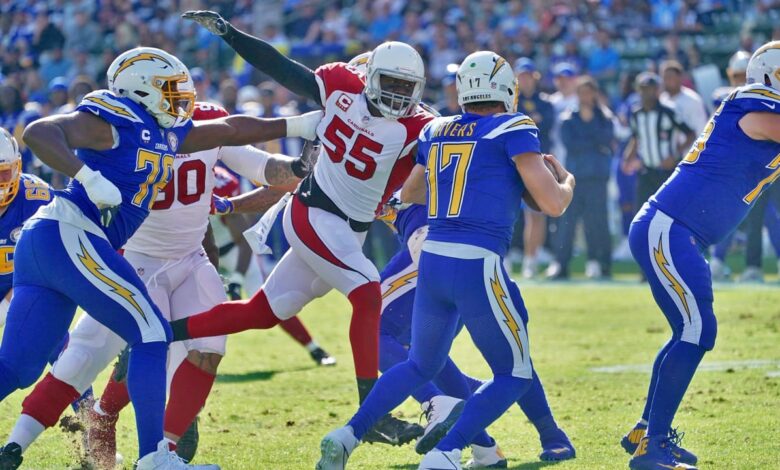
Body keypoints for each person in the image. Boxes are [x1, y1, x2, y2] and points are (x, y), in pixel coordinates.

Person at [0, 46, 321, 470]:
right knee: (151, 332)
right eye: (170, 90)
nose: (182, 97)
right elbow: (40, 131)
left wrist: (298, 123)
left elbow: (229, 129)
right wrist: (89, 178)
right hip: (71, 233)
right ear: (140, 90)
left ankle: (18, 451)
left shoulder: (165, 131)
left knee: (18, 367)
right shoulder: (114, 118)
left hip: (52, 245)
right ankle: (155, 457)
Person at [174, 10, 434, 445]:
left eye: (405, 89)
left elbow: (448, 148)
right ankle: (372, 415)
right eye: (389, 83)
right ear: (369, 76)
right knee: (368, 291)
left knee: (258, 314)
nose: (396, 95)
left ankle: (157, 331)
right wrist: (230, 33)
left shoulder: (419, 125)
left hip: (346, 231)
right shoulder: (340, 86)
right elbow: (279, 66)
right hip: (312, 213)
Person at [316, 50, 575, 470]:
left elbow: (413, 192)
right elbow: (552, 203)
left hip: (433, 258)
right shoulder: (515, 125)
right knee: (514, 373)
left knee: (421, 362)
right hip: (477, 261)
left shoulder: (436, 129)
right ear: (506, 90)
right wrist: (567, 182)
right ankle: (448, 451)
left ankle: (348, 434)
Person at [621, 41, 780, 470]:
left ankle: (646, 431)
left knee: (688, 330)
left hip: (678, 231)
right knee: (696, 330)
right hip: (670, 227)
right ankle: (652, 447)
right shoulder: (754, 104)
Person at [375, 199, 575, 466]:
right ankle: (497, 442)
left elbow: (413, 184)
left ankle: (445, 409)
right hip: (462, 249)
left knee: (375, 335)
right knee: (436, 353)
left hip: (438, 247)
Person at [552, 77, 615, 279]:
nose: (586, 96)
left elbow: (606, 140)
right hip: (574, 178)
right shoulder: (568, 118)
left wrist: (590, 137)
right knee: (567, 224)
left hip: (597, 177)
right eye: (582, 92)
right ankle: (561, 265)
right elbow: (571, 145)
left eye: (589, 92)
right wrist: (594, 142)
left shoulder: (605, 117)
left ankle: (601, 264)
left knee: (598, 223)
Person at [622, 72, 695, 213]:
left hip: (667, 171)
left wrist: (675, 155)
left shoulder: (669, 112)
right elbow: (636, 138)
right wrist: (628, 157)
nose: (646, 93)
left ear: (657, 90)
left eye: (650, 88)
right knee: (642, 213)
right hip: (646, 170)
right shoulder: (636, 114)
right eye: (642, 89)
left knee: (670, 211)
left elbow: (690, 134)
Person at [514, 58, 556, 279]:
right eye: (521, 75)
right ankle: (507, 257)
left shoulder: (545, 103)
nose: (525, 80)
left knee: (535, 214)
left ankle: (530, 259)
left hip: (537, 164)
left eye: (528, 75)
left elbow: (544, 126)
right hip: (513, 164)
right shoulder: (510, 103)